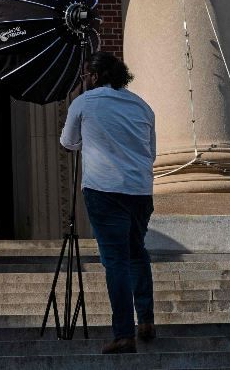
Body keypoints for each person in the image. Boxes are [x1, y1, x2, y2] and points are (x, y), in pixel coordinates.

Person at [60, 51, 156, 355]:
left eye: (85, 75)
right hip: (140, 190)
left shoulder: (83, 102)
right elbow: (151, 152)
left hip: (104, 190)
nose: (83, 79)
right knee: (137, 252)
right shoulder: (142, 105)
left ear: (94, 76)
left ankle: (124, 334)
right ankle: (146, 320)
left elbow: (67, 143)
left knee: (116, 261)